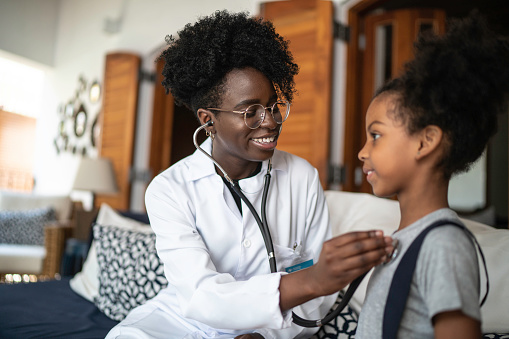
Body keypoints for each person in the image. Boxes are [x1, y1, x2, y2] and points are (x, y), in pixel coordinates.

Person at [106, 10, 394, 339]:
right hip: (183, 324)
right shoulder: (169, 190)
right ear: (208, 120)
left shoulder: (302, 178)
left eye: (273, 106)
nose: (270, 121)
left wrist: (266, 335)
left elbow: (320, 295)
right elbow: (200, 295)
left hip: (272, 327)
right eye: (250, 111)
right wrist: (313, 279)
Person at [355, 12, 509, 339]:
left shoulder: (444, 245)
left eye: (376, 136)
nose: (362, 152)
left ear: (426, 141)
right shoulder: (404, 239)